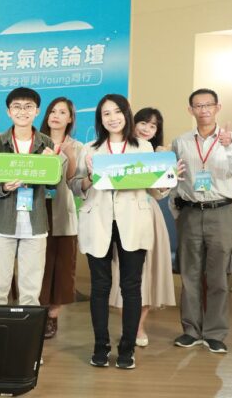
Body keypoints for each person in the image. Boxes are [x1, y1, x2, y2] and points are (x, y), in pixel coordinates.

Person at [69, 94, 172, 370]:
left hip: (133, 221)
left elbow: (155, 190)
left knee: (131, 287)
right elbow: (75, 185)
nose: (112, 118)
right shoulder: (90, 149)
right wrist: (89, 178)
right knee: (100, 287)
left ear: (126, 114)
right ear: (100, 119)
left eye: (117, 112)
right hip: (98, 221)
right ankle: (100, 346)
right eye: (106, 114)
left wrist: (168, 179)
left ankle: (127, 348)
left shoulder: (144, 147)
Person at [171, 88, 232, 354]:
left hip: (221, 211)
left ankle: (215, 333)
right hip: (190, 212)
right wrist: (178, 212)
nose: (203, 109)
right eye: (198, 105)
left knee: (218, 276)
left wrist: (227, 146)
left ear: (218, 107)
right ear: (190, 110)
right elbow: (175, 179)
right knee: (190, 274)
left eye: (208, 105)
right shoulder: (181, 142)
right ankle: (191, 331)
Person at [0, 87, 54, 309]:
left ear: (37, 111)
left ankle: (27, 331)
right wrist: (3, 187)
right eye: (17, 107)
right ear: (8, 111)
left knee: (31, 291)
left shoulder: (47, 144)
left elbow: (53, 185)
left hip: (35, 223)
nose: (23, 111)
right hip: (1, 223)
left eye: (28, 106)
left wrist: (54, 164)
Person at [108, 108, 176, 346]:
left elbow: (158, 193)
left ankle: (137, 327)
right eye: (143, 123)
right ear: (132, 123)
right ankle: (131, 325)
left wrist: (168, 178)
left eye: (153, 126)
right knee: (123, 273)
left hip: (149, 214)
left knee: (149, 274)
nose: (147, 129)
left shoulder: (158, 154)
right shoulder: (117, 149)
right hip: (120, 216)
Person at [38, 96, 82, 338]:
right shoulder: (36, 142)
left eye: (62, 112)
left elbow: (76, 184)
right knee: (39, 264)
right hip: (37, 210)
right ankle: (38, 313)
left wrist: (70, 157)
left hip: (63, 211)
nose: (56, 116)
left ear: (70, 118)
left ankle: (53, 316)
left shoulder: (78, 146)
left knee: (63, 266)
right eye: (52, 111)